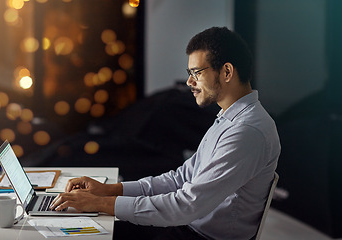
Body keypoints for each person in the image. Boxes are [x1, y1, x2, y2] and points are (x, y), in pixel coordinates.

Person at [50, 26, 280, 240]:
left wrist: (100, 204)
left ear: (227, 71)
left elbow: (185, 206)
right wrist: (108, 190)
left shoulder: (246, 132)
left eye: (196, 72)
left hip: (196, 236)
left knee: (82, 234)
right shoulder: (229, 119)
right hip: (185, 228)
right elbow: (180, 179)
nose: (189, 81)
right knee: (82, 229)